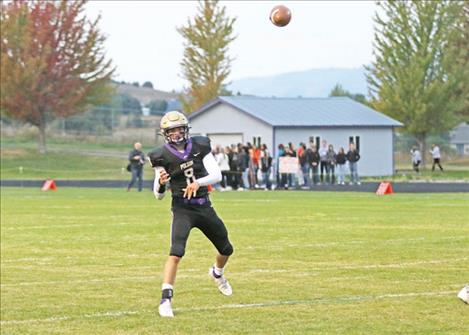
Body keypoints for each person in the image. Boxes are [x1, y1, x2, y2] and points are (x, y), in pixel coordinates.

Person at [148, 111, 234, 318]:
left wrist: (198, 183)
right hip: (182, 208)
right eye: (172, 130)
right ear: (165, 134)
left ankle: (217, 273)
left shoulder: (200, 146)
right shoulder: (160, 156)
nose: (177, 133)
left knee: (226, 248)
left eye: (180, 129)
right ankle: (165, 299)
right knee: (176, 252)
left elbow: (216, 175)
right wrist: (161, 183)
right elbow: (158, 195)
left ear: (186, 129)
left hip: (204, 206)